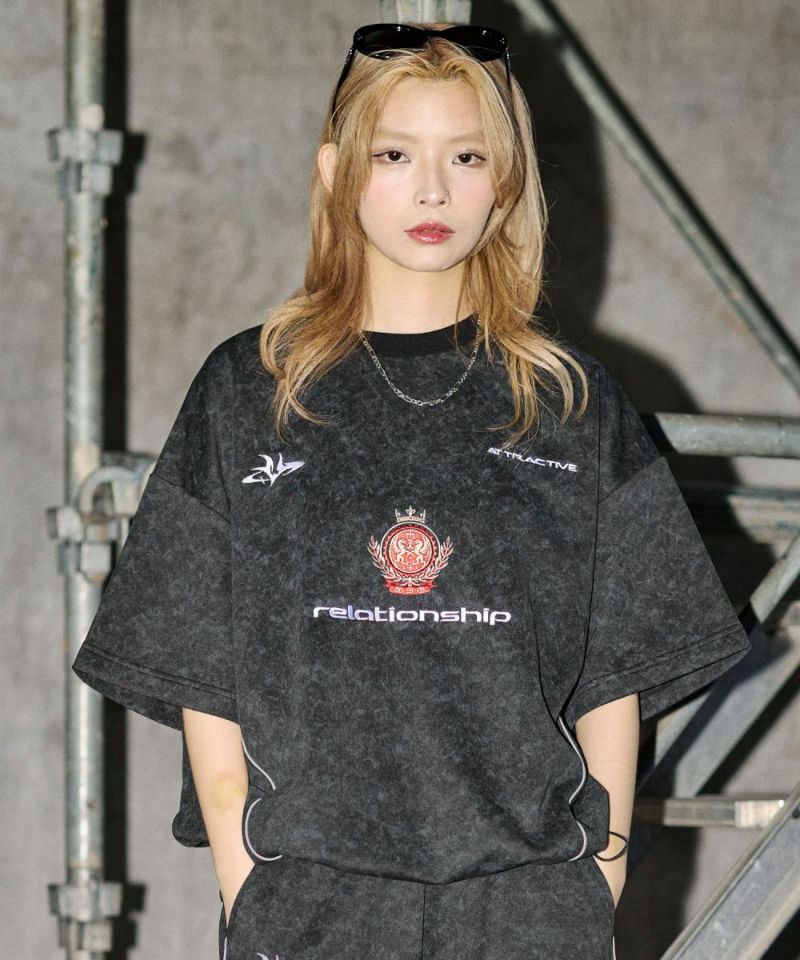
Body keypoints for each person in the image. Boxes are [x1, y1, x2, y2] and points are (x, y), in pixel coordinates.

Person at [72, 21, 752, 960]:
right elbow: (200, 669)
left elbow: (619, 674)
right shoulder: (250, 390)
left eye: (466, 156)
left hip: (528, 913)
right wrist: (244, 878)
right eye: (394, 154)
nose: (433, 189)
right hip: (309, 911)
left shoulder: (572, 404)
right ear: (337, 170)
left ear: (505, 180)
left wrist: (601, 875)